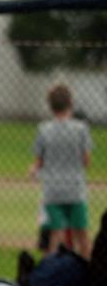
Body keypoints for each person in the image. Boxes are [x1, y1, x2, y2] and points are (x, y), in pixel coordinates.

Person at [30, 84, 93, 258]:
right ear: (70, 103)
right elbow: (86, 161)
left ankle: (51, 276)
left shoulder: (44, 129)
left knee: (55, 235)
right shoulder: (81, 129)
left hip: (53, 190)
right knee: (82, 235)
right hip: (75, 188)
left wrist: (36, 170)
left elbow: (39, 161)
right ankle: (88, 275)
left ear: (50, 106)